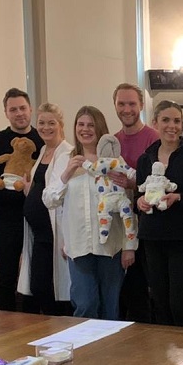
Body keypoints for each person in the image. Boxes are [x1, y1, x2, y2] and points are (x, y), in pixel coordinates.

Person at [43, 106, 135, 320]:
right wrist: (67, 173)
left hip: (110, 246)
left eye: (91, 125)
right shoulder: (66, 159)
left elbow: (126, 205)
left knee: (110, 307)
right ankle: (88, 351)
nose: (85, 130)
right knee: (85, 304)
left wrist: (129, 246)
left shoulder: (113, 162)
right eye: (81, 124)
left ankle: (110, 352)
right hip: (78, 246)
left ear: (100, 128)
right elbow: (49, 200)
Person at [135, 101, 183, 326]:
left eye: (177, 121)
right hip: (152, 239)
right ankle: (164, 354)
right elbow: (139, 192)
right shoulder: (145, 158)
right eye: (166, 120)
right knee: (160, 301)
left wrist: (180, 198)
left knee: (180, 302)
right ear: (155, 122)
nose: (172, 126)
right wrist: (139, 202)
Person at [0, 88, 42, 311]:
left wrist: (31, 198)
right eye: (13, 109)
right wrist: (20, 196)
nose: (19, 113)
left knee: (36, 276)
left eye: (22, 108)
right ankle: (4, 326)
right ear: (6, 112)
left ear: (30, 109)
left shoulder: (42, 139)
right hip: (6, 221)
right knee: (6, 277)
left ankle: (34, 323)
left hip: (37, 220)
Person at [17, 103, 72, 315]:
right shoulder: (43, 151)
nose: (46, 127)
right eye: (41, 123)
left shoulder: (66, 153)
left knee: (53, 290)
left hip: (54, 233)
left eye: (51, 123)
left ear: (60, 125)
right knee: (39, 286)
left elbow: (58, 191)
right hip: (40, 235)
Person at [110, 83, 159, 322]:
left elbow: (160, 181)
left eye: (131, 103)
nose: (127, 109)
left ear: (140, 105)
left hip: (146, 224)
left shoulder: (153, 138)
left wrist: (133, 185)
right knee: (122, 291)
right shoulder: (111, 142)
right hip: (118, 225)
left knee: (142, 291)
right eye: (121, 104)